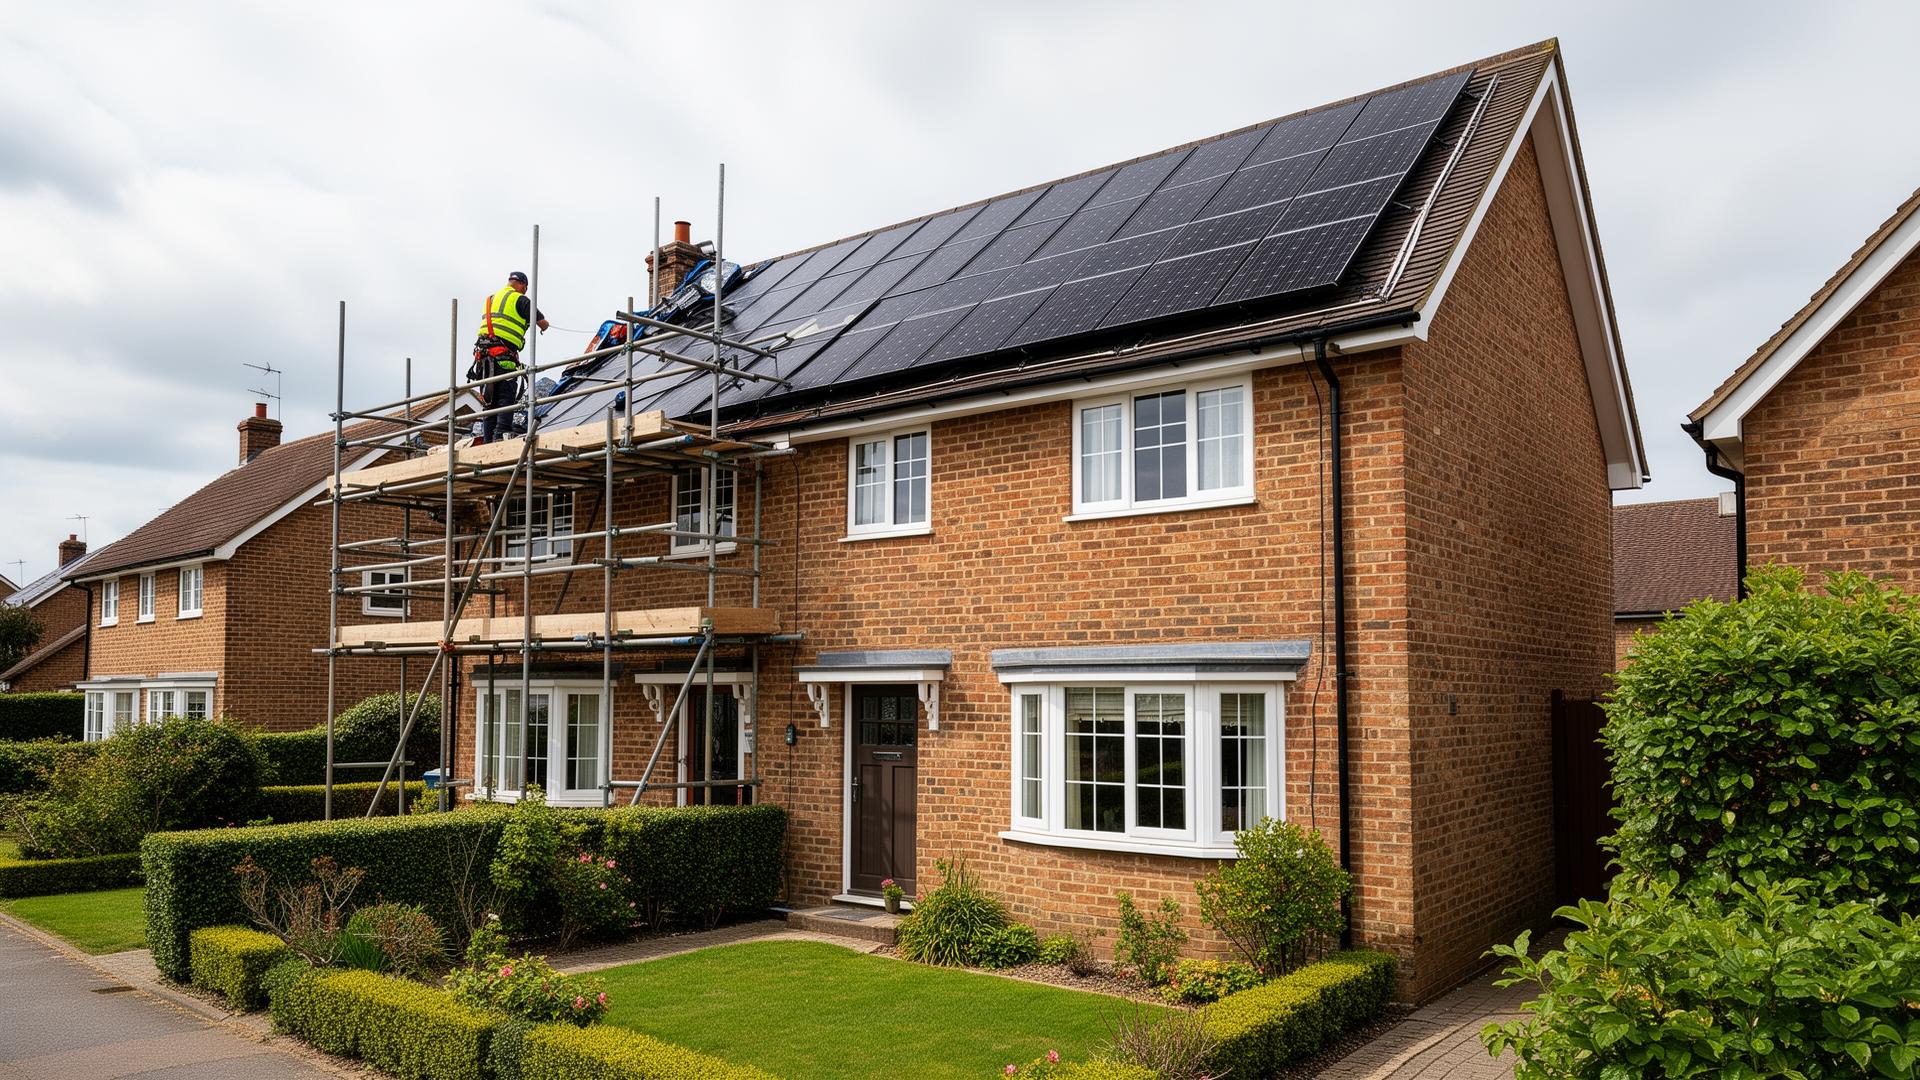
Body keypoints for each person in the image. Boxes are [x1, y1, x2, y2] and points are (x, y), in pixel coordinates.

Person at [472, 271, 550, 443]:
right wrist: (545, 326)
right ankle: (500, 436)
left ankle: (488, 440)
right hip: (503, 357)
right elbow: (541, 321)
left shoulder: (491, 299)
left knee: (489, 401)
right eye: (525, 289)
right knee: (505, 398)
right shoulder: (520, 299)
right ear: (523, 285)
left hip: (483, 359)